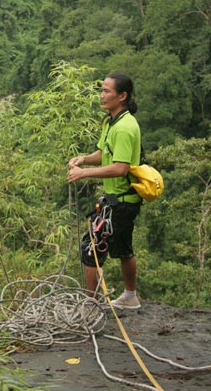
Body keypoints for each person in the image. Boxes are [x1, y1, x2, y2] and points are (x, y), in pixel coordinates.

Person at [67, 72, 142, 309]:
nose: (102, 95)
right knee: (122, 248)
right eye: (101, 90)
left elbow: (120, 168)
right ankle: (130, 295)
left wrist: (84, 173)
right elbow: (103, 153)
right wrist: (85, 159)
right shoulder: (112, 121)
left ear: (122, 96)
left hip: (121, 200)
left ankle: (91, 305)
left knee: (91, 247)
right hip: (117, 199)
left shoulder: (124, 127)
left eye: (106, 91)